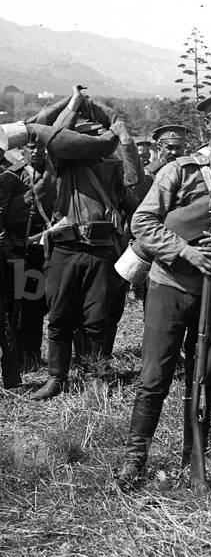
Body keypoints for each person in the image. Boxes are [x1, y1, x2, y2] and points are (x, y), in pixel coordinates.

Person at [114, 116, 211, 490]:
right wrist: (185, 251)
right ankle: (135, 458)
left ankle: (194, 455)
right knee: (154, 377)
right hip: (170, 285)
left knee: (206, 374)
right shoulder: (180, 172)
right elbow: (142, 222)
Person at [30, 90, 138, 399]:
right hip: (65, 249)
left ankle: (96, 376)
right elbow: (50, 130)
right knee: (61, 315)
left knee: (98, 318)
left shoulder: (112, 168)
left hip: (102, 251)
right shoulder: (61, 164)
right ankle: (56, 377)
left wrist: (123, 134)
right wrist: (75, 102)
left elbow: (134, 182)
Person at [0, 138, 51, 373]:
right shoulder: (12, 176)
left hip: (39, 249)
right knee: (14, 305)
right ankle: (17, 357)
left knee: (35, 303)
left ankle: (33, 354)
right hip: (15, 249)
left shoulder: (52, 173)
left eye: (41, 147)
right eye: (32, 147)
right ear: (23, 150)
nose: (37, 152)